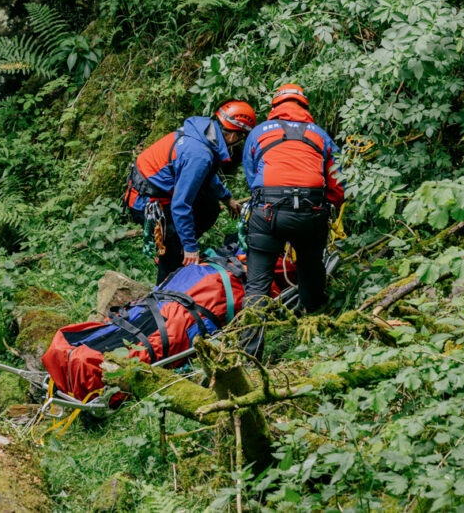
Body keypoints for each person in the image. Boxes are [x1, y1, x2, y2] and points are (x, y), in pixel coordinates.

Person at [242, 84, 344, 353]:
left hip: (268, 211)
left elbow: (252, 177)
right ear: (304, 108)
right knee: (311, 270)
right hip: (311, 213)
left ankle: (249, 354)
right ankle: (315, 341)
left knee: (257, 285)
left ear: (275, 108)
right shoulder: (321, 135)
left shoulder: (257, 133)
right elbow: (337, 182)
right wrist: (328, 208)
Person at [125, 100, 256, 283]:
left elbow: (207, 176)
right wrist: (190, 246)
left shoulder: (204, 132)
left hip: (160, 191)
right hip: (145, 201)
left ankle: (178, 254)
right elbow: (180, 205)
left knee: (210, 206)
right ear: (234, 136)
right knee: (173, 246)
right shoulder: (199, 154)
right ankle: (166, 285)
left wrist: (227, 199)